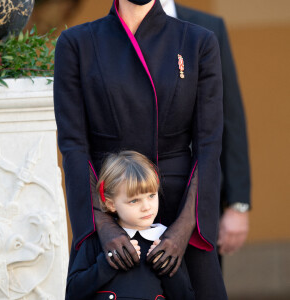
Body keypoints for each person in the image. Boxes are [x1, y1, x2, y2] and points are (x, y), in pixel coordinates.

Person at [54, 0, 227, 298]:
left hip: (180, 204)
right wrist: (104, 224)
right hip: (110, 203)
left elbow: (209, 146)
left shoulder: (198, 41)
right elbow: (73, 145)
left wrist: (184, 228)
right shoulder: (76, 43)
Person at [160, 0, 251, 257]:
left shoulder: (209, 27)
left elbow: (230, 117)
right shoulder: (111, 32)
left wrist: (238, 205)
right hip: (134, 199)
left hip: (202, 202)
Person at [65, 151, 195, 299]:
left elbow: (186, 296)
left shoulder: (165, 242)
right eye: (134, 200)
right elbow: (73, 292)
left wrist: (166, 268)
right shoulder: (97, 238)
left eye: (151, 195)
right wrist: (107, 264)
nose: (147, 207)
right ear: (111, 204)